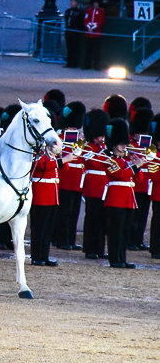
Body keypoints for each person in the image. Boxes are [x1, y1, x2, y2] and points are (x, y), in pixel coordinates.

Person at [103, 118, 144, 268]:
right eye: (121, 144)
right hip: (116, 199)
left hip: (128, 199)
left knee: (126, 230)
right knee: (116, 230)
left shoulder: (127, 162)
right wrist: (133, 167)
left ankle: (122, 257)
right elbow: (119, 175)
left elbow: (139, 179)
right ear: (114, 144)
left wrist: (137, 165)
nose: (124, 146)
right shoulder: (109, 161)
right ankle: (114, 259)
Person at [55, 101, 86, 251]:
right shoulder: (58, 138)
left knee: (74, 214)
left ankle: (71, 240)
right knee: (64, 213)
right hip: (65, 180)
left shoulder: (80, 141)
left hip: (78, 181)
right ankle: (62, 240)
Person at [81, 109, 110, 259]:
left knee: (103, 220)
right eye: (99, 135)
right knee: (92, 218)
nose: (101, 138)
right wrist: (106, 154)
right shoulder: (87, 147)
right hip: (93, 187)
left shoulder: (105, 148)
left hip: (105, 187)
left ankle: (99, 248)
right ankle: (89, 248)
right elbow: (94, 163)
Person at [30, 147, 62, 267]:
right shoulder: (38, 154)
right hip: (41, 196)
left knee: (48, 229)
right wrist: (61, 160)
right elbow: (42, 166)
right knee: (39, 228)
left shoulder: (52, 157)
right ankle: (36, 257)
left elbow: (66, 169)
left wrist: (59, 156)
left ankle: (44, 256)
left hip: (52, 197)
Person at [128, 108, 153, 251]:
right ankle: (131, 240)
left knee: (144, 214)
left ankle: (139, 240)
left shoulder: (150, 146)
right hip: (137, 182)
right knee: (134, 215)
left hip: (147, 183)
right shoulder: (131, 145)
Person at [146, 114, 160, 259]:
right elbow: (154, 176)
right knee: (157, 223)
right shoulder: (153, 155)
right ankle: (155, 248)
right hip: (158, 193)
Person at [83, 0, 104, 71]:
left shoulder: (101, 11)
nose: (95, 4)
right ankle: (87, 64)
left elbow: (101, 21)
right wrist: (88, 27)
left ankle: (96, 65)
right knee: (88, 50)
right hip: (89, 33)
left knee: (96, 51)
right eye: (94, 2)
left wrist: (93, 27)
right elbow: (86, 20)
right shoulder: (89, 10)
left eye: (96, 2)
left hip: (96, 33)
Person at [64, 0, 84, 68]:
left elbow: (81, 22)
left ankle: (74, 63)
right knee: (69, 48)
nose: (71, 3)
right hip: (68, 32)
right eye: (71, 1)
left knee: (75, 48)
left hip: (75, 32)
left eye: (73, 2)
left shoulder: (79, 12)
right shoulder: (68, 11)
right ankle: (69, 62)